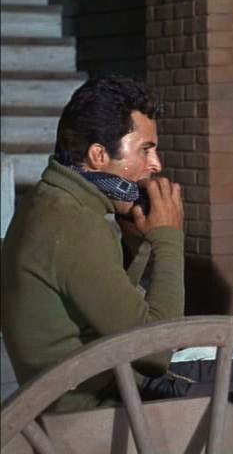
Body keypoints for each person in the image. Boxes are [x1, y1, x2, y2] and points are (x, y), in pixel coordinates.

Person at [1, 75, 185, 412]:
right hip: (94, 412)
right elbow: (155, 354)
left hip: (84, 389)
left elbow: (111, 310)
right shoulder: (74, 225)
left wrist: (136, 243)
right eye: (145, 149)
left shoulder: (50, 200)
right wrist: (169, 238)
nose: (156, 164)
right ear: (99, 155)